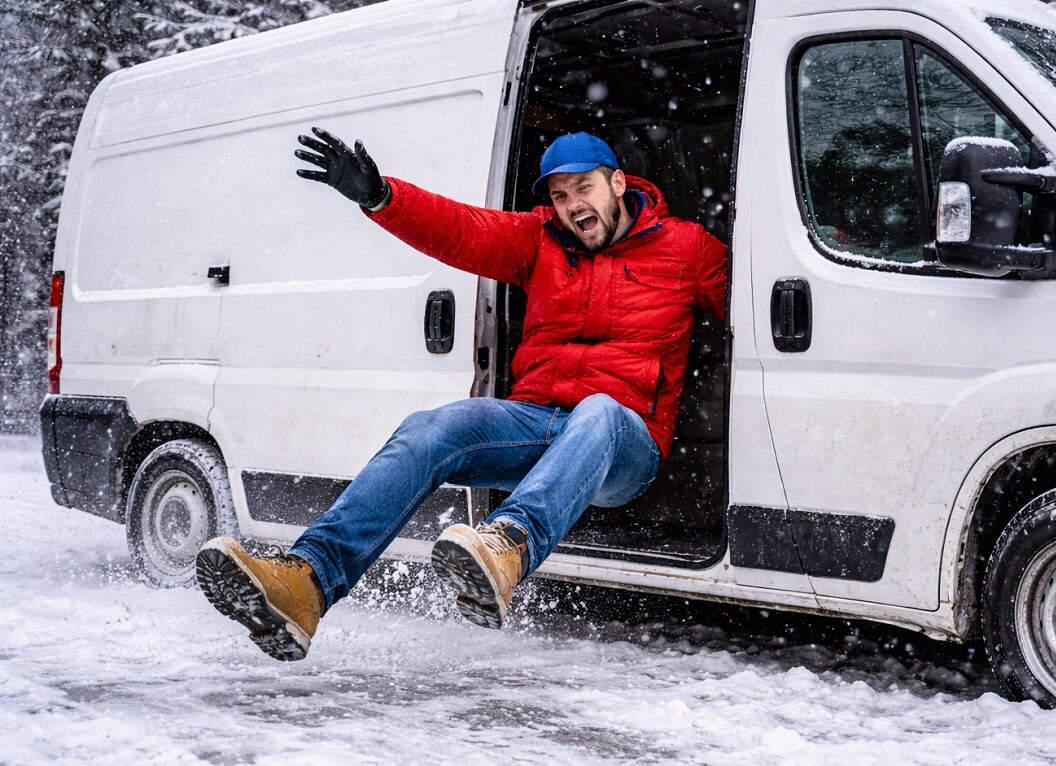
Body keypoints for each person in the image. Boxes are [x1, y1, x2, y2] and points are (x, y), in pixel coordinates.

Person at [194, 128, 727, 661]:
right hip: (539, 422)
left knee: (600, 411)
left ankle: (510, 546)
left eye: (584, 189)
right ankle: (307, 583)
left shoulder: (686, 248)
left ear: (617, 183)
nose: (572, 206)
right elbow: (462, 229)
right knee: (433, 427)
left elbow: (758, 298)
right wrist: (382, 197)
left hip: (625, 443)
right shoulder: (539, 239)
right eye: (560, 196)